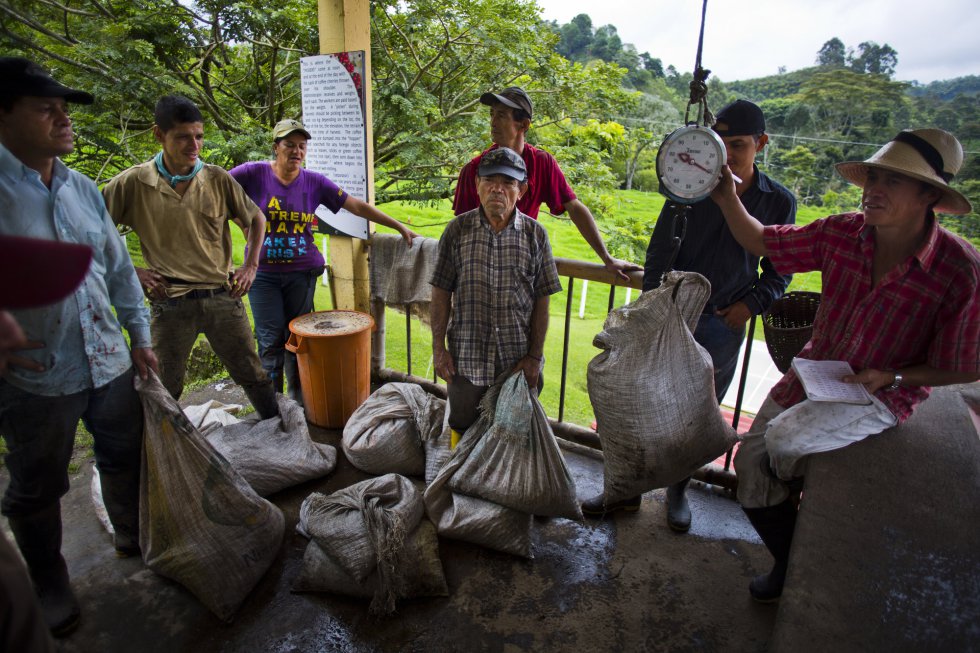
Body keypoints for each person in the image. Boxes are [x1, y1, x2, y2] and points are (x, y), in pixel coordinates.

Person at [711, 127, 979, 602]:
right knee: (751, 463)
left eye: (893, 181)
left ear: (930, 196)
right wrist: (728, 195)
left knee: (782, 442)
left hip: (879, 391)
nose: (874, 189)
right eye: (873, 176)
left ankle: (799, 562)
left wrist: (894, 376)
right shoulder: (840, 232)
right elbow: (762, 241)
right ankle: (792, 563)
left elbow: (962, 367)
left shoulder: (959, 269)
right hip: (816, 371)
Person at [580, 100, 797, 532]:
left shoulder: (778, 202)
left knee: (699, 413)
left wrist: (748, 306)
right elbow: (660, 247)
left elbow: (780, 271)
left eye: (738, 145)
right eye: (721, 144)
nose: (728, 155)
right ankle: (625, 491)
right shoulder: (690, 186)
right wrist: (650, 304)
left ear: (762, 144)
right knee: (642, 399)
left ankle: (678, 492)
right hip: (669, 314)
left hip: (721, 323)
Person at [0, 57, 158, 637]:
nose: (64, 119)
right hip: (36, 374)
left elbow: (117, 271)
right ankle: (50, 582)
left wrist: (139, 337)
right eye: (47, 108)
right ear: (4, 114)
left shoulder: (81, 188)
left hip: (110, 360)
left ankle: (129, 534)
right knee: (39, 483)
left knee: (124, 453)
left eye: (65, 108)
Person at [103, 95, 279, 420]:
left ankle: (282, 434)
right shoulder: (133, 182)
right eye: (183, 136)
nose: (194, 144)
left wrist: (250, 265)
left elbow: (256, 218)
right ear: (159, 135)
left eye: (198, 136)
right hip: (169, 302)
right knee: (163, 387)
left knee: (253, 376)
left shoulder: (216, 178)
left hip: (222, 297)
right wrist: (132, 271)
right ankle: (160, 458)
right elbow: (92, 229)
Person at [229, 119, 418, 403]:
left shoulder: (314, 182)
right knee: (269, 343)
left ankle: (297, 406)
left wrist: (397, 225)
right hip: (263, 274)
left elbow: (355, 205)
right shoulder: (252, 173)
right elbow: (215, 190)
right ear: (276, 147)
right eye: (289, 145)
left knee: (297, 340)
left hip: (302, 274)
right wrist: (243, 222)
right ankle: (270, 410)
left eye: (302, 146)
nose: (296, 151)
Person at [432, 147, 562, 441]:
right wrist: (439, 349)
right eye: (490, 180)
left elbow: (543, 301)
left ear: (522, 190)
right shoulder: (457, 231)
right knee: (462, 427)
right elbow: (440, 292)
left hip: (517, 363)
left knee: (513, 433)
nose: (497, 189)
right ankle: (461, 482)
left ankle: (501, 486)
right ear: (477, 185)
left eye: (508, 182)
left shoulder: (535, 235)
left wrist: (534, 357)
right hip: (466, 359)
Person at [452, 86, 641, 282]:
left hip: (522, 271)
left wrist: (607, 259)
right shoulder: (474, 169)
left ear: (523, 124)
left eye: (501, 116)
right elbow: (460, 229)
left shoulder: (542, 163)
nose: (492, 122)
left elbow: (574, 207)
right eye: (491, 114)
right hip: (476, 272)